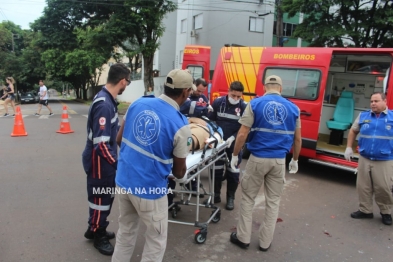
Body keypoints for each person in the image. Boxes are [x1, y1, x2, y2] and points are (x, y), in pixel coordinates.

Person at [112, 69, 193, 262]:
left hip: (123, 181)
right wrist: (182, 177)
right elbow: (179, 171)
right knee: (156, 239)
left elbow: (119, 139)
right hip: (150, 191)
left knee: (126, 231)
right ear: (185, 92)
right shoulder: (181, 125)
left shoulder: (138, 103)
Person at [229, 75, 301, 252]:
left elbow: (242, 133)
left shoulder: (255, 104)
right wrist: (295, 160)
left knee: (247, 198)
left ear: (264, 87)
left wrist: (235, 155)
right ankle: (265, 242)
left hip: (258, 158)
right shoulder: (293, 108)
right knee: (273, 201)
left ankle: (243, 238)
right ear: (281, 89)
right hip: (278, 161)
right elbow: (298, 139)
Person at [82, 63, 131, 256]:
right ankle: (97, 233)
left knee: (104, 196)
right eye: (127, 81)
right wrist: (117, 165)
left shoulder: (107, 100)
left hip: (104, 161)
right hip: (100, 162)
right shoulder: (104, 104)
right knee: (100, 198)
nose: (127, 84)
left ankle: (94, 226)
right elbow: (101, 144)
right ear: (122, 81)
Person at [345, 92, 393, 226]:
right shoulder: (363, 115)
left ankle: (386, 212)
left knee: (383, 187)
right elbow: (353, 131)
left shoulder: (392, 117)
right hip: (365, 157)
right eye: (371, 101)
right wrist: (349, 147)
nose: (373, 104)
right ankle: (365, 210)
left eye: (376, 101)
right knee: (363, 186)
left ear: (385, 102)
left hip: (385, 159)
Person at [207, 81, 247, 210]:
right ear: (229, 91)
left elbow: (244, 127)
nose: (235, 99)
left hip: (234, 145)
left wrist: (233, 138)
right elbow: (210, 121)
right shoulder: (218, 103)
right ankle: (216, 195)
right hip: (219, 143)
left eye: (238, 96)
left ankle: (230, 198)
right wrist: (216, 136)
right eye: (233, 95)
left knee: (233, 172)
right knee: (216, 171)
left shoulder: (244, 107)